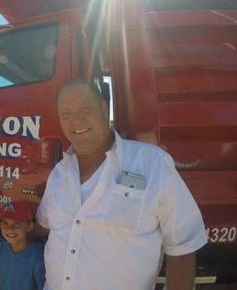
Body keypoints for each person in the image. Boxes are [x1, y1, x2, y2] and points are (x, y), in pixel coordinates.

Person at [35, 78, 208, 290]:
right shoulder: (59, 174)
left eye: (84, 109)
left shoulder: (151, 163)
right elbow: (43, 228)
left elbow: (183, 248)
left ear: (103, 108)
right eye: (66, 114)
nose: (76, 121)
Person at [0, 201, 46, 290]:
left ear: (29, 226)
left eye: (16, 224)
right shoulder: (0, 249)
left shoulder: (38, 258)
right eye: (5, 223)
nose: (10, 229)